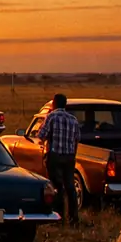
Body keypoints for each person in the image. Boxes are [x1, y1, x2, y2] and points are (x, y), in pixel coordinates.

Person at [38, 93, 82, 226]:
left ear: (54, 103)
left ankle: (58, 217)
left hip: (55, 155)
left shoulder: (51, 116)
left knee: (56, 187)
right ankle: (73, 218)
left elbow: (41, 135)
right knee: (70, 188)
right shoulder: (73, 119)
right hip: (69, 157)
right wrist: (73, 155)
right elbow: (77, 139)